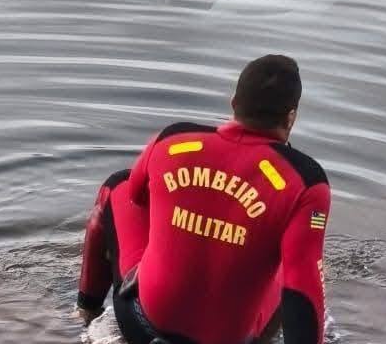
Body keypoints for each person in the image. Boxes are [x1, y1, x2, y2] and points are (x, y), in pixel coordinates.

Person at [77, 55, 330, 344]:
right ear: (290, 117)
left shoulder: (173, 140)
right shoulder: (306, 181)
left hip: (141, 325)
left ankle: (86, 312)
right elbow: (303, 290)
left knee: (117, 185)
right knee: (301, 261)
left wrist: (190, 211)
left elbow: (136, 195)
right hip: (240, 338)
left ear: (233, 102)